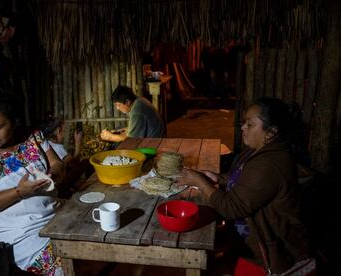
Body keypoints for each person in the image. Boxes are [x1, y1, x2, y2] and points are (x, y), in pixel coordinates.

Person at [177, 97, 315, 275]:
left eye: (249, 125)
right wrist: (219, 178)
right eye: (244, 123)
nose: (242, 128)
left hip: (265, 257)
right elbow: (245, 178)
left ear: (271, 132)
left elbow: (231, 208)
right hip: (247, 243)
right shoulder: (258, 151)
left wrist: (200, 182)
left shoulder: (269, 164)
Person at [0, 93, 66, 275]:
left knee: (91, 248)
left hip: (53, 217)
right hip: (19, 234)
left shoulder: (32, 138)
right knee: (64, 266)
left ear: (14, 122)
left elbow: (57, 164)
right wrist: (19, 192)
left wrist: (52, 176)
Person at [40, 114, 89, 195]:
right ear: (59, 131)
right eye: (64, 131)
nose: (65, 134)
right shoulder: (57, 148)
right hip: (58, 186)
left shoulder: (45, 144)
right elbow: (75, 162)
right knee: (85, 163)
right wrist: (78, 142)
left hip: (47, 183)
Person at [100, 85, 165, 142]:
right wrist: (119, 131)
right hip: (154, 139)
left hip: (154, 144)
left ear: (127, 102)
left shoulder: (137, 111)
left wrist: (109, 137)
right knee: (120, 129)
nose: (117, 108)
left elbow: (132, 139)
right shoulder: (139, 101)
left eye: (119, 105)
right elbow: (134, 128)